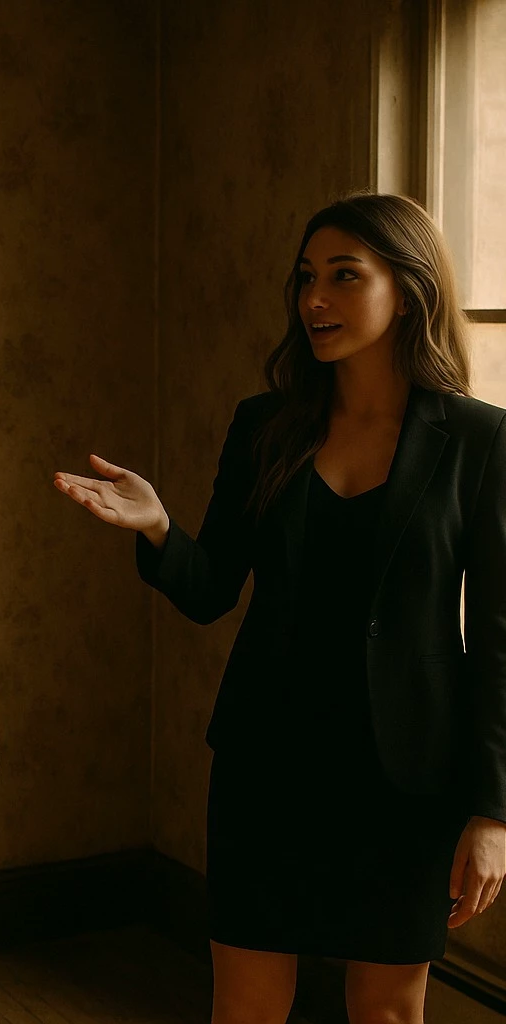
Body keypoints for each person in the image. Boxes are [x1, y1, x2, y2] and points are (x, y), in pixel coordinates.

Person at [54, 192, 506, 1024]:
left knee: (387, 1014)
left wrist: (493, 811)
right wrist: (159, 528)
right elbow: (210, 589)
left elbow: (500, 641)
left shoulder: (479, 440)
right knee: (247, 1009)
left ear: (408, 291)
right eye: (306, 278)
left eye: (344, 276)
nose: (314, 300)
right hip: (267, 767)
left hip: (406, 782)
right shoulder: (265, 425)